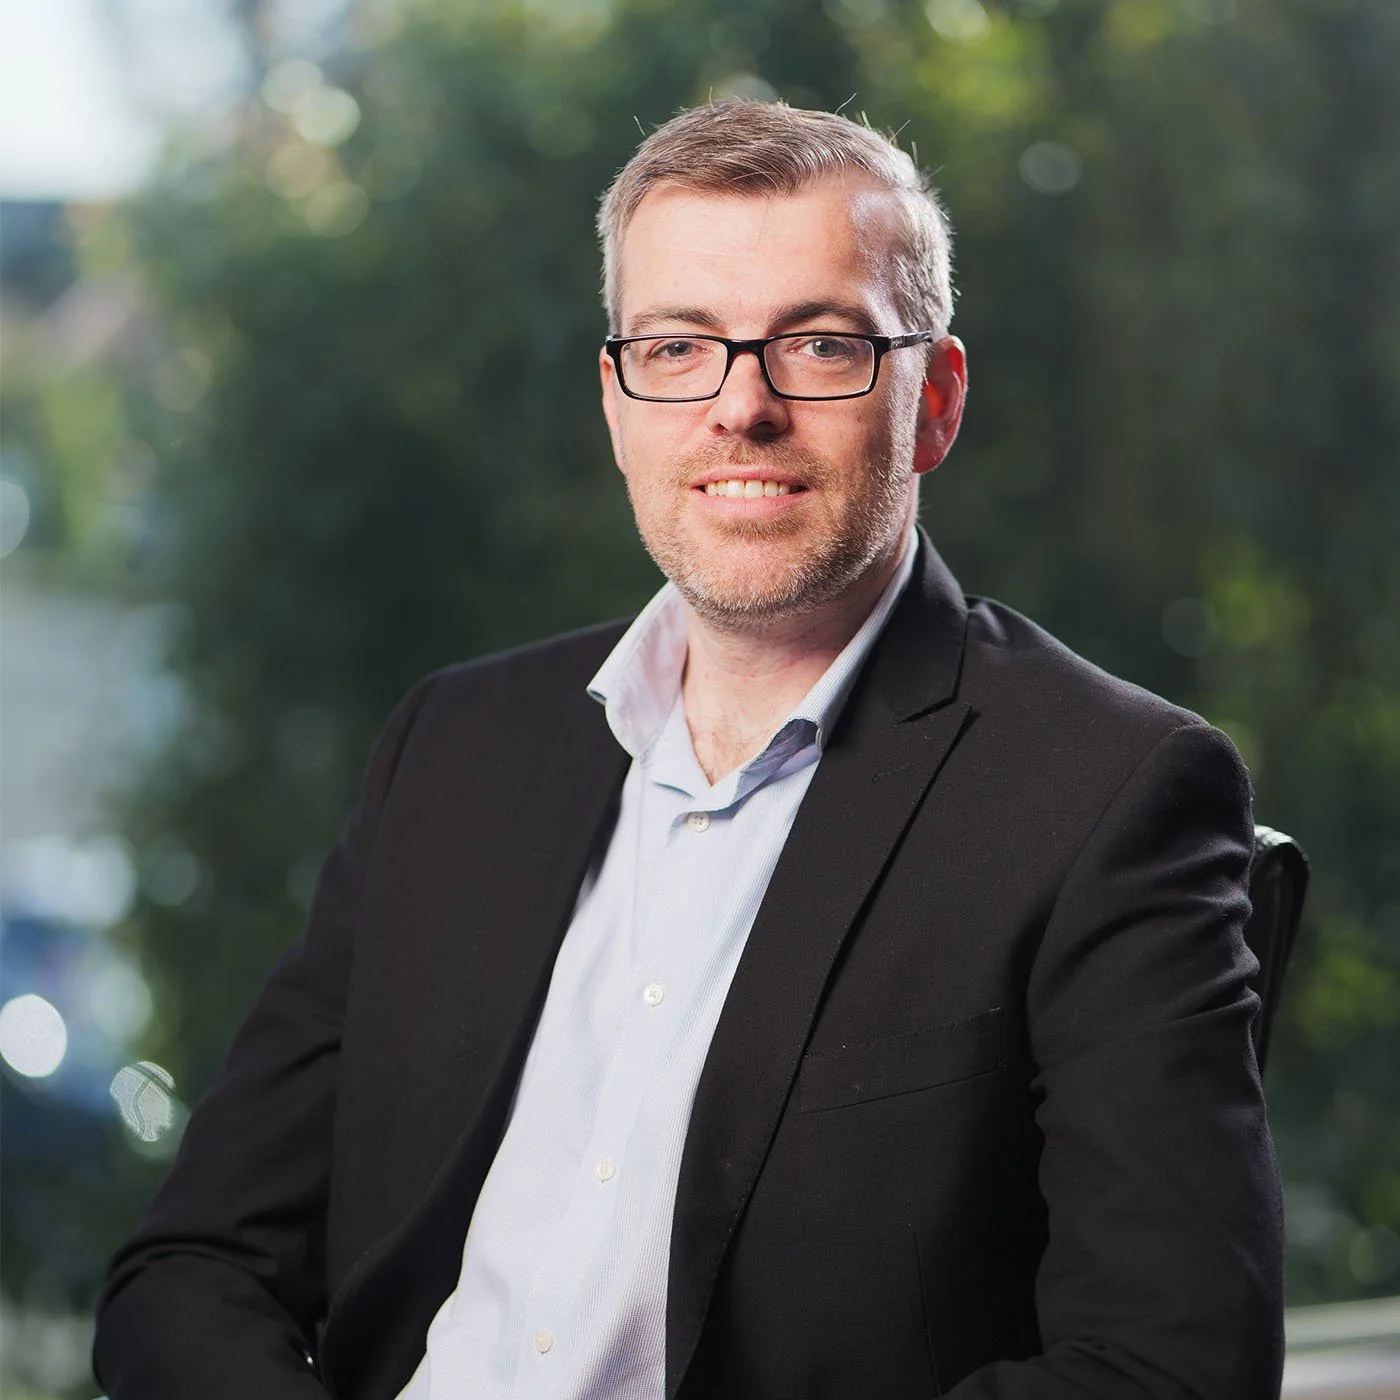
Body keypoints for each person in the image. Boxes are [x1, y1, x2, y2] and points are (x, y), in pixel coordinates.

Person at [93, 100, 1284, 1400]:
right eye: (678, 347)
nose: (741, 409)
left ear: (932, 400)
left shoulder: (1104, 796)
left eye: (819, 345)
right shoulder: (456, 751)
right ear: (618, 403)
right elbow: (194, 1268)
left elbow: (1171, 1372)